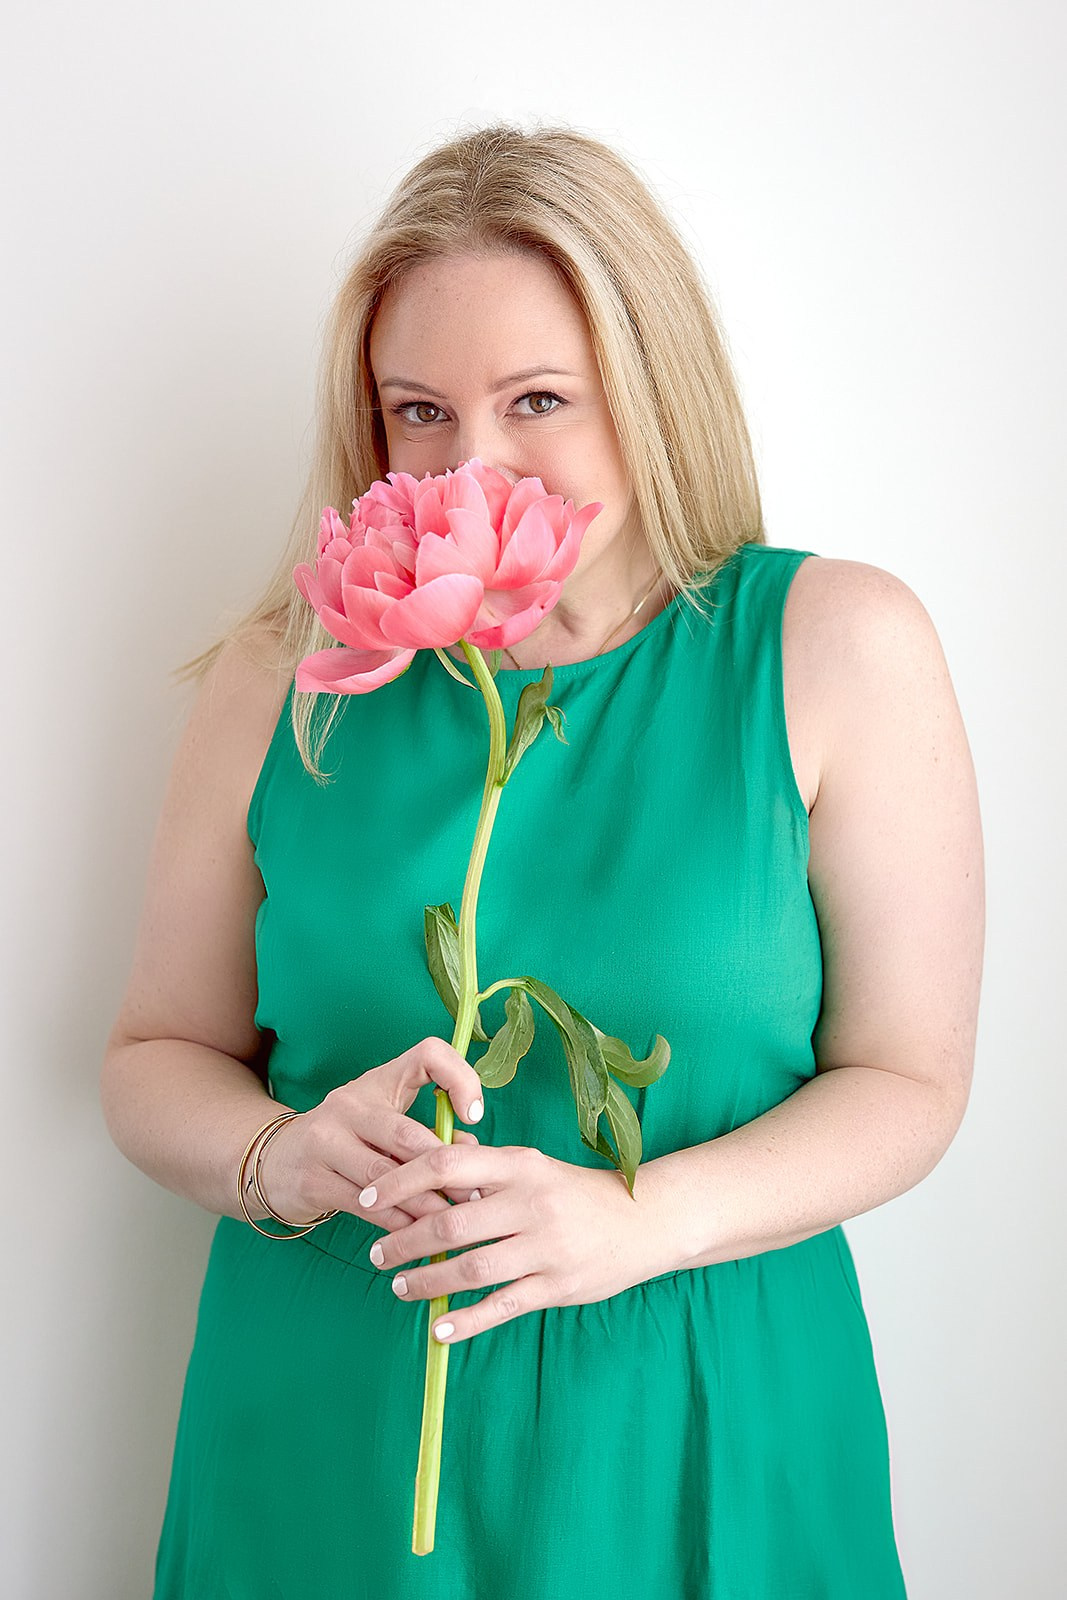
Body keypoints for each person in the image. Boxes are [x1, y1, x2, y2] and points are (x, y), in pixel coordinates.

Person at [101, 123, 984, 1599]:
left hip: (699, 1409)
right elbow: (153, 1053)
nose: (473, 463)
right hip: (328, 1422)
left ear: (650, 390)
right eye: (419, 411)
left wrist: (636, 1219)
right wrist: (279, 1156)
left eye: (539, 400)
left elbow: (911, 1083)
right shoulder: (280, 684)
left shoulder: (837, 650)